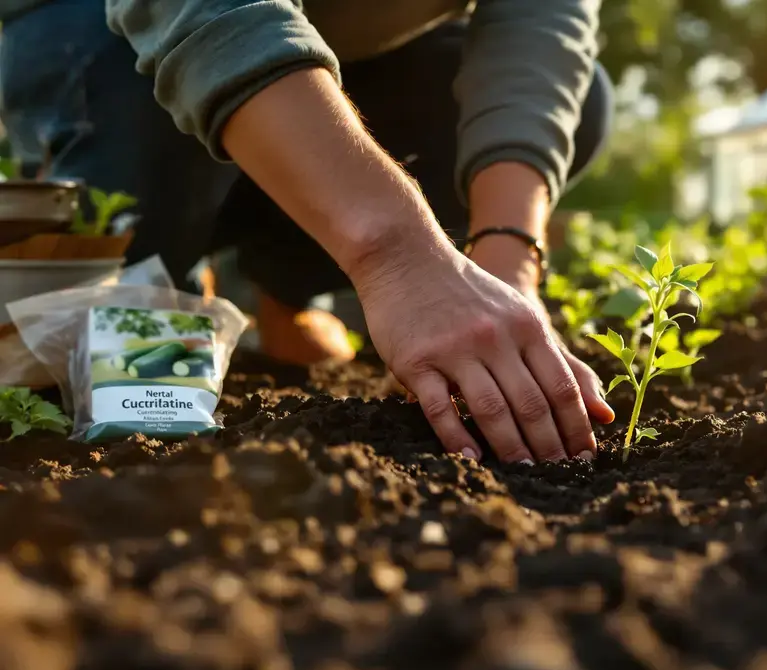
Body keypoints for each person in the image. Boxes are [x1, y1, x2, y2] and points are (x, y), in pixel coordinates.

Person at [0, 0, 616, 464]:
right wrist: (398, 256)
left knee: (581, 96)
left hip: (350, 60)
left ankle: (286, 288)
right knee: (122, 320)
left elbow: (540, 27)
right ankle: (173, 276)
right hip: (107, 27)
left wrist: (506, 268)